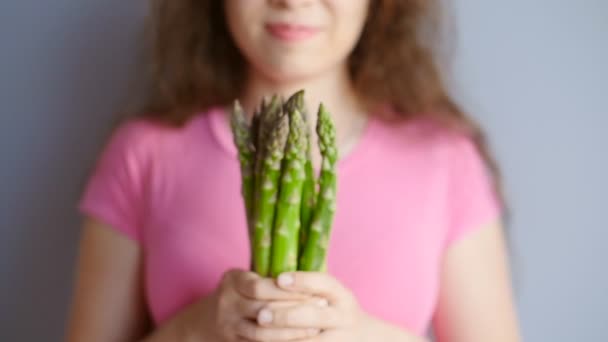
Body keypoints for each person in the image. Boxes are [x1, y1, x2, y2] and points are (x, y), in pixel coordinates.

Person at [65, 1, 521, 341]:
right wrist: (197, 329)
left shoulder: (444, 161)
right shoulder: (143, 154)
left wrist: (367, 336)